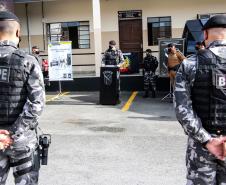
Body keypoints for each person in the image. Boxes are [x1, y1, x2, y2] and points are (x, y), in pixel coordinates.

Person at [174, 14, 226, 185]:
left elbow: (183, 110)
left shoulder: (190, 64)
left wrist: (207, 140)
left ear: (204, 35)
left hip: (201, 148)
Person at [0, 10, 45, 185]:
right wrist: (13, 133)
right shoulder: (28, 61)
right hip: (22, 141)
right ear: (18, 33)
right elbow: (37, 104)